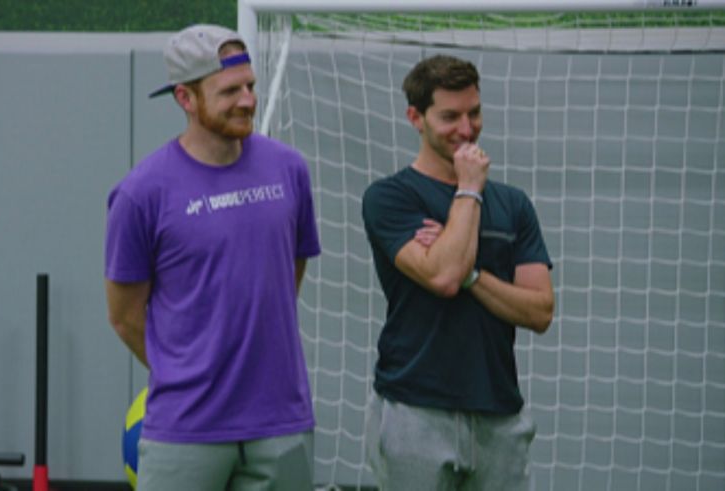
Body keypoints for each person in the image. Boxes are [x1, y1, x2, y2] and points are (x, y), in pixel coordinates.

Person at [104, 24, 320, 490]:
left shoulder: (289, 170)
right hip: (186, 431)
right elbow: (124, 316)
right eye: (229, 91)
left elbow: (288, 274)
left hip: (282, 424)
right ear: (185, 98)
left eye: (250, 86)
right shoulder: (141, 194)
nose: (247, 100)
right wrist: (189, 368)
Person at [361, 54, 555, 490]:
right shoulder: (389, 198)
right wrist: (468, 188)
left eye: (474, 113)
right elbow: (443, 277)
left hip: (500, 414)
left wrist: (473, 276)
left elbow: (540, 310)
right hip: (415, 411)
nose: (466, 130)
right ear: (416, 117)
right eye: (450, 116)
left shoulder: (514, 205)